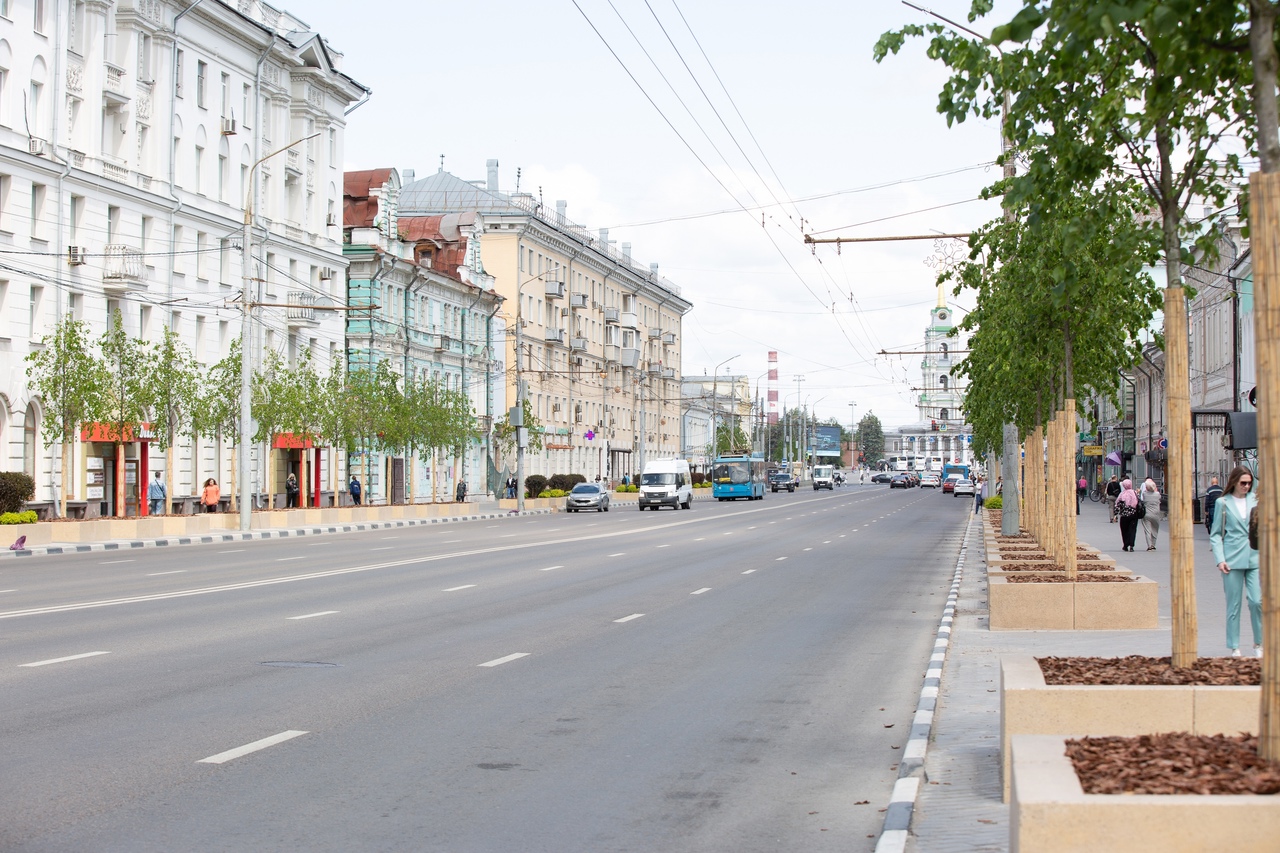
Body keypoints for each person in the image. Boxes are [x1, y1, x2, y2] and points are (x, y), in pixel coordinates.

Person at [1209, 466, 1261, 658]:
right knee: (1234, 605)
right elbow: (1215, 535)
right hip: (1231, 560)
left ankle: (1259, 643)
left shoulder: (1256, 500)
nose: (1246, 486)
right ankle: (1234, 645)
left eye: (1249, 483)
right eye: (1243, 483)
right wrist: (1220, 560)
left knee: (1257, 601)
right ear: (1234, 482)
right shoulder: (1223, 503)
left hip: (1255, 557)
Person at [1115, 478, 1141, 551]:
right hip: (1133, 515)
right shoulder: (1134, 493)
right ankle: (1132, 545)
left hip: (1124, 516)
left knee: (1124, 530)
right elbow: (1138, 502)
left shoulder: (1122, 494)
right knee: (1132, 530)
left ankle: (1125, 545)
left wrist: (1115, 514)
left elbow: (1117, 504)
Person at [1140, 478, 1164, 550]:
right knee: (1155, 529)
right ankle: (1153, 544)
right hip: (1156, 514)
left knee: (1147, 530)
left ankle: (1149, 545)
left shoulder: (1145, 494)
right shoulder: (1157, 494)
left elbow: (1143, 496)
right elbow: (1158, 497)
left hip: (1147, 514)